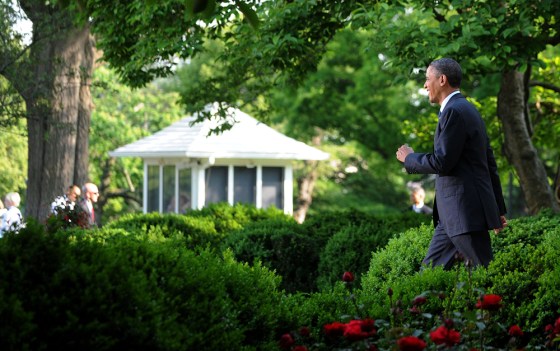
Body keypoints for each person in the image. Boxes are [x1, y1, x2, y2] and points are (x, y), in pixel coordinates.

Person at [396, 58, 507, 269]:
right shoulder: (466, 109)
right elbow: (488, 163)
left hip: (464, 215)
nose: (425, 85)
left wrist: (409, 158)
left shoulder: (455, 111)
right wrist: (497, 208)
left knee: (484, 277)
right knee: (427, 277)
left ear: (442, 80)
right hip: (452, 218)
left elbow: (442, 161)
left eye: (428, 79)